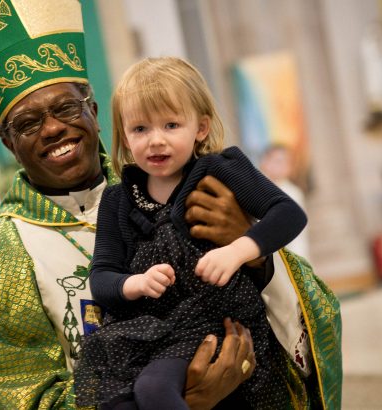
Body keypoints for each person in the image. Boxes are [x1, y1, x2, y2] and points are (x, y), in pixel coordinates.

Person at [0, 1, 342, 408]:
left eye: (65, 108)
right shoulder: (0, 254)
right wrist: (185, 397)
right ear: (9, 144)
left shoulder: (183, 185)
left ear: (92, 111)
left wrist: (254, 256)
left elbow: (315, 307)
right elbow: (18, 397)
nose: (53, 128)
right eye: (28, 123)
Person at [73, 57, 306, 409]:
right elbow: (102, 276)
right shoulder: (118, 199)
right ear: (123, 135)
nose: (155, 141)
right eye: (140, 129)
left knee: (153, 390)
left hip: (210, 317)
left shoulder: (219, 169)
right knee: (115, 401)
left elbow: (288, 213)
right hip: (148, 328)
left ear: (200, 127)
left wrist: (237, 250)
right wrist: (134, 283)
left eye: (170, 125)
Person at [259, 144, 310, 258]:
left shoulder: (293, 193)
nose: (282, 166)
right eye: (277, 161)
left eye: (287, 162)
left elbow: (299, 234)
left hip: (288, 254)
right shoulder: (255, 188)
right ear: (265, 162)